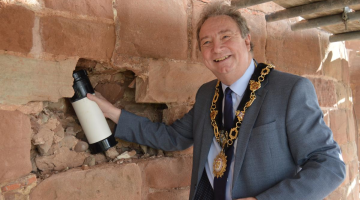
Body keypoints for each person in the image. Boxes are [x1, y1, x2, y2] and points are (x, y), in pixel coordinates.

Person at [87, 2, 345, 200]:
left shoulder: (289, 90)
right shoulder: (206, 94)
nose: (216, 49)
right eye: (206, 42)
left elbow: (330, 166)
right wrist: (112, 112)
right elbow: (172, 138)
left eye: (225, 37)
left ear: (246, 40)